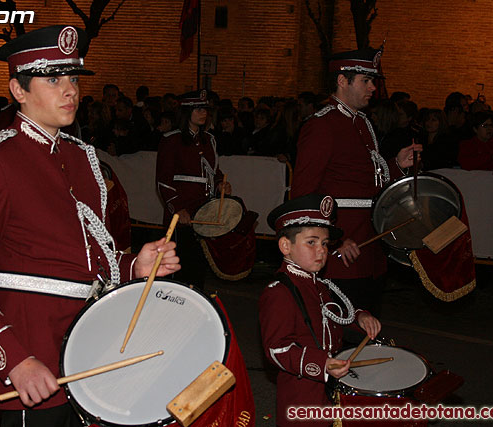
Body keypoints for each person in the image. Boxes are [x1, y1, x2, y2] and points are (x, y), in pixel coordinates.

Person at [0, 26, 180, 427]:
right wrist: (14, 360)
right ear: (19, 91)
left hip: (93, 347)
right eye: (52, 79)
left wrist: (133, 267)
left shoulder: (80, 157)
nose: (70, 90)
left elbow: (85, 256)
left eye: (72, 78)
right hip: (33, 353)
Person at [291, 48, 421, 319]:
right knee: (341, 333)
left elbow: (370, 182)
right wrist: (335, 239)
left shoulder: (363, 122)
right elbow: (303, 195)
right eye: (366, 80)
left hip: (371, 248)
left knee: (367, 331)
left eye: (373, 81)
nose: (373, 87)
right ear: (342, 81)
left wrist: (397, 164)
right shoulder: (322, 125)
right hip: (342, 251)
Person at [259, 193, 381, 427]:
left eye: (324, 244)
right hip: (301, 395)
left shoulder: (320, 284)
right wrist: (323, 363)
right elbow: (277, 349)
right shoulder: (279, 292)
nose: (321, 250)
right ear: (286, 246)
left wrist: (361, 317)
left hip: (329, 388)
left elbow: (336, 313)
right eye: (311, 242)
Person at [156, 89, 230, 289]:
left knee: (198, 271)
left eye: (205, 109)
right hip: (183, 214)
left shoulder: (209, 140)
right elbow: (163, 181)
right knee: (178, 270)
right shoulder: (171, 140)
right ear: (186, 112)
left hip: (204, 213)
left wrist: (220, 183)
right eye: (198, 109)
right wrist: (178, 209)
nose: (203, 113)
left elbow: (212, 171)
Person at [458, 110, 493, 175]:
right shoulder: (467, 145)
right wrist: (490, 158)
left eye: (491, 125)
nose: (489, 128)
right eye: (485, 126)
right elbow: (466, 164)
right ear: (475, 129)